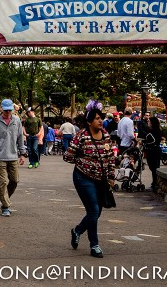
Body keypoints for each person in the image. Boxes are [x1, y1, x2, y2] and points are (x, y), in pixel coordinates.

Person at [64, 100, 116, 258]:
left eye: (101, 117)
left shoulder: (106, 135)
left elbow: (110, 158)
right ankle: (95, 245)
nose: (100, 120)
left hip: (101, 179)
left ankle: (77, 230)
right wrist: (83, 162)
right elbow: (68, 156)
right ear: (89, 121)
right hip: (83, 177)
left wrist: (111, 176)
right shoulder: (81, 135)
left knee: (96, 212)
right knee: (93, 210)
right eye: (96, 118)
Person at [0, 99, 27, 217]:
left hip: (13, 155)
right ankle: (6, 206)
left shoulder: (16, 120)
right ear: (1, 109)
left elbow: (20, 138)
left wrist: (22, 154)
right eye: (6, 110)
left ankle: (5, 199)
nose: (8, 112)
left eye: (10, 110)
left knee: (14, 181)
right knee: (3, 182)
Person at [139, 116, 162, 191]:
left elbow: (153, 140)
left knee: (154, 167)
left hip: (153, 151)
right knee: (153, 168)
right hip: (153, 151)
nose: (148, 123)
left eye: (149, 122)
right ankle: (154, 183)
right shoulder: (155, 131)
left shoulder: (154, 132)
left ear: (152, 123)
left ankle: (155, 184)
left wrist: (144, 142)